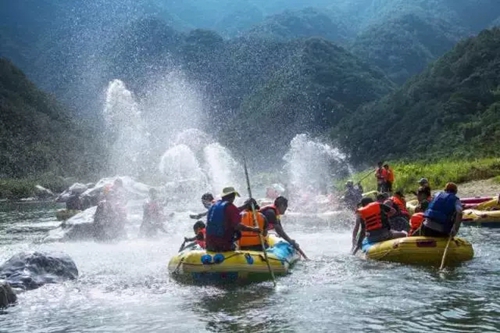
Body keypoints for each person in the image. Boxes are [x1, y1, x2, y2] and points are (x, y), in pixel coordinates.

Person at [205, 187, 260, 252]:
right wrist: (253, 229)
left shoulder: (214, 205)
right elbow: (237, 226)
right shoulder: (230, 207)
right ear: (233, 196)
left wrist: (245, 206)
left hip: (210, 244)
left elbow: (231, 212)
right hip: (223, 245)